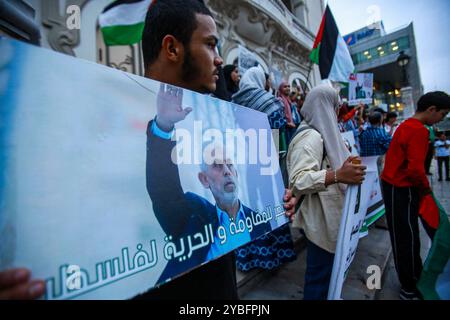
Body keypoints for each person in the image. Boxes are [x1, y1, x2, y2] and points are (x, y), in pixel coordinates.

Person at [0, 0, 297, 300]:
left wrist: (275, 207)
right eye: (210, 45)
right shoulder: (102, 124)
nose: (219, 59)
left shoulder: (218, 118)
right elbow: (164, 194)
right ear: (172, 48)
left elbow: (242, 214)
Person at [146, 89, 271, 282]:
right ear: (204, 179)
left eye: (229, 164)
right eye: (217, 166)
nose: (227, 171)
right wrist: (164, 126)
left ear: (236, 173)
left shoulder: (260, 221)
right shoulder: (194, 216)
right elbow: (164, 191)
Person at [286, 84, 366, 300]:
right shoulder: (310, 136)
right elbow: (298, 180)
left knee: (327, 276)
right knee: (319, 279)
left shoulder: (322, 132)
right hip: (320, 222)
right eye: (334, 106)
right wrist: (338, 175)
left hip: (328, 218)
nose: (336, 112)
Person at [381, 91, 450, 300]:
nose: (443, 119)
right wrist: (426, 190)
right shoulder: (419, 130)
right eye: (443, 114)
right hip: (402, 188)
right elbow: (415, 170)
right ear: (431, 110)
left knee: (402, 236)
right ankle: (409, 286)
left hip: (392, 185)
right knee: (408, 238)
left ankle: (410, 280)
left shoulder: (405, 125)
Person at [231, 66, 297, 273]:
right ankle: (276, 253)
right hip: (267, 167)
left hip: (244, 166)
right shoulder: (271, 103)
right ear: (260, 80)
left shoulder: (233, 103)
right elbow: (277, 144)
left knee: (250, 209)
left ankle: (250, 257)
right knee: (270, 207)